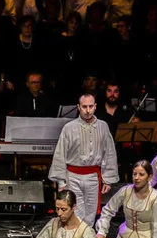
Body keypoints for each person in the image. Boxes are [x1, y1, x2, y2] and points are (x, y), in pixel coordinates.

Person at [48, 93, 119, 225]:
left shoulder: (103, 126)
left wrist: (108, 179)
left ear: (95, 106)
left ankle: (86, 237)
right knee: (76, 212)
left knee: (90, 214)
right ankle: (76, 236)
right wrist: (61, 181)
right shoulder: (69, 128)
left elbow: (109, 153)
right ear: (78, 107)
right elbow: (60, 154)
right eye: (84, 106)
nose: (88, 110)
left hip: (93, 176)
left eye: (90, 106)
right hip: (73, 176)